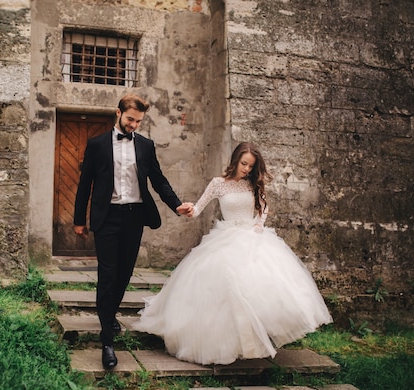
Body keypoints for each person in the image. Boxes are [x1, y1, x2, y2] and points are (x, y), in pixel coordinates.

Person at [132, 142, 333, 365]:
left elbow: (264, 207)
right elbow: (199, 208)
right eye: (244, 163)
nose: (247, 169)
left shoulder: (252, 184)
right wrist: (187, 209)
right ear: (235, 160)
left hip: (253, 236)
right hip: (226, 238)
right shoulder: (218, 183)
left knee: (258, 287)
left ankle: (253, 340)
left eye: (251, 166)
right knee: (226, 285)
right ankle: (229, 342)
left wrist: (259, 224)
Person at [73, 94, 193, 370]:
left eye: (138, 121)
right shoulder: (97, 145)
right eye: (130, 119)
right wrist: (79, 219)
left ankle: (109, 313)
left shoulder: (146, 146)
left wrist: (176, 205)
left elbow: (158, 180)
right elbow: (84, 184)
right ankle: (107, 341)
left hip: (134, 217)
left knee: (125, 272)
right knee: (107, 274)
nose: (133, 125)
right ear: (118, 113)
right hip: (107, 218)